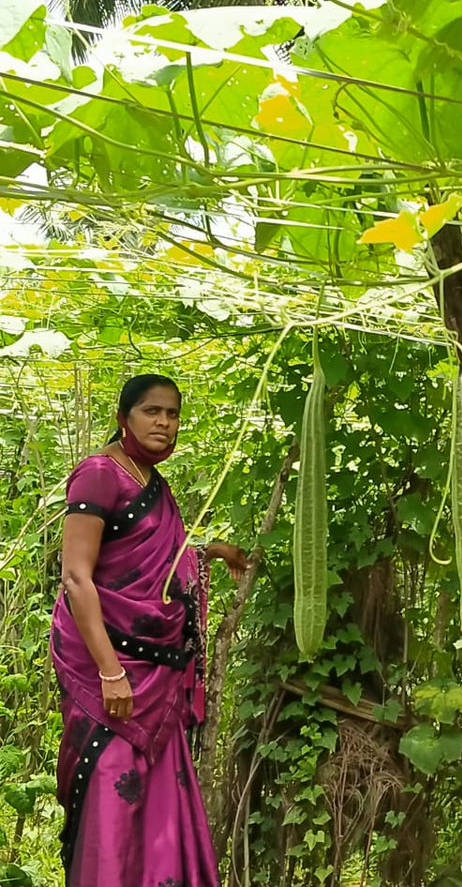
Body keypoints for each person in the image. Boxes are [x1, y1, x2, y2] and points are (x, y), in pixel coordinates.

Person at [51, 374, 248, 887]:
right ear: (124, 418)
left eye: (173, 414)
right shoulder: (99, 473)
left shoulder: (152, 483)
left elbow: (154, 568)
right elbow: (77, 575)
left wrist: (210, 552)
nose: (164, 422)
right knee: (113, 789)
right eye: (151, 411)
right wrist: (112, 672)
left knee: (158, 794)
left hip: (157, 678)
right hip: (109, 669)